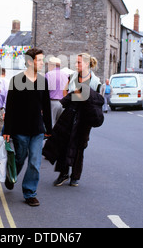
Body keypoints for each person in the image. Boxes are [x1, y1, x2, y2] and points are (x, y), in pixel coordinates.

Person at [3, 48, 52, 207]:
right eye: (39, 60)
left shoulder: (43, 81)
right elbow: (10, 107)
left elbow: (47, 106)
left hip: (37, 130)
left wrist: (49, 129)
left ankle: (30, 193)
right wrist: (7, 130)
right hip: (20, 129)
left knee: (34, 163)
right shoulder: (17, 80)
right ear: (30, 62)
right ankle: (11, 176)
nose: (42, 63)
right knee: (19, 158)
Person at [44, 53, 101, 188]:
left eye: (79, 62)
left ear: (87, 64)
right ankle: (63, 174)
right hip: (70, 114)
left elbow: (98, 100)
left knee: (80, 145)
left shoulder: (95, 80)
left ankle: (75, 176)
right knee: (64, 142)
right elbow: (65, 91)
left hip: (85, 117)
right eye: (76, 62)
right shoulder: (73, 76)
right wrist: (71, 101)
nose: (76, 65)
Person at [45, 57, 69, 127]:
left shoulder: (48, 74)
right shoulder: (66, 75)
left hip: (52, 102)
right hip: (63, 102)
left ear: (52, 65)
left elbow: (45, 90)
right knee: (61, 125)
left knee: (51, 124)